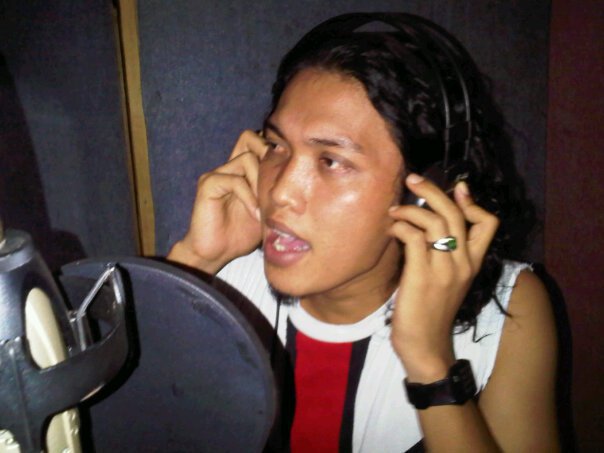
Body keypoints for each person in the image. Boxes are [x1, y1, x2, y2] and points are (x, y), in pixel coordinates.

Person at [168, 13, 559, 452]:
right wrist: (194, 262)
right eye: (277, 146)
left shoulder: (507, 308)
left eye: (331, 161)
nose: (279, 192)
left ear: (424, 196)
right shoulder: (218, 283)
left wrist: (429, 361)